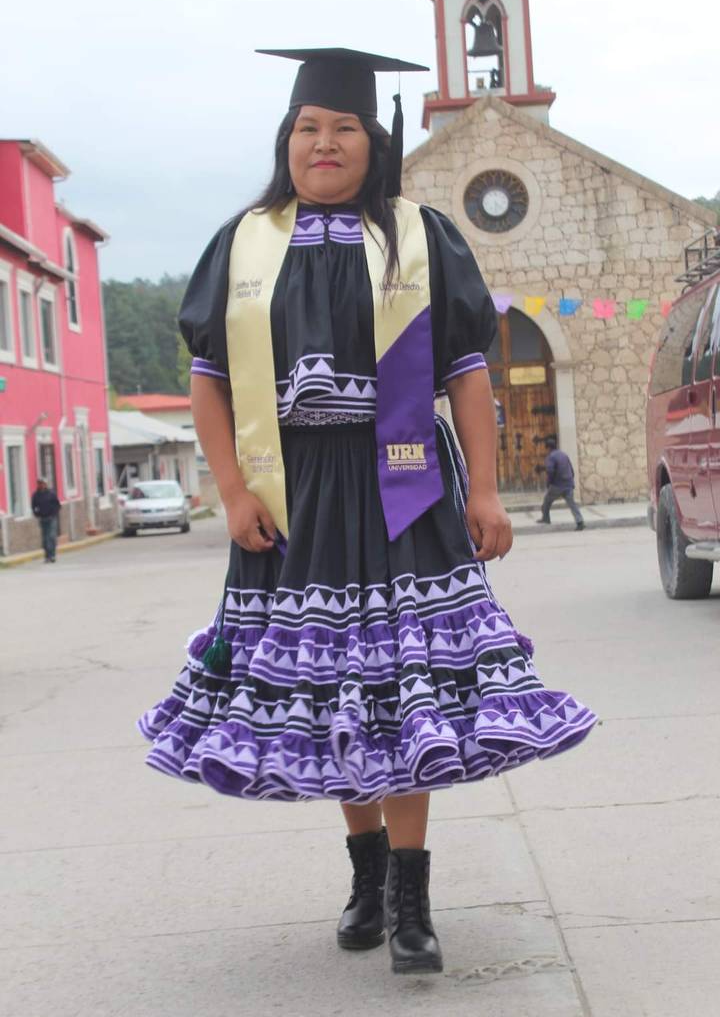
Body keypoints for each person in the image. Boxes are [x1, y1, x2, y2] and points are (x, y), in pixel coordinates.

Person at [137, 48, 597, 975]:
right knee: (330, 691)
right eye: (308, 127)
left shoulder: (422, 236)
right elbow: (210, 378)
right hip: (293, 492)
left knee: (399, 684)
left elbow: (466, 370)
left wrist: (483, 490)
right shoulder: (244, 242)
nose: (325, 143)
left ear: (372, 143)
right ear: (287, 140)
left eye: (344, 127)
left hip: (404, 486)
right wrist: (231, 491)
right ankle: (366, 875)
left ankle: (412, 899)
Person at [537, 437, 585, 530]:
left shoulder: (550, 457)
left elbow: (550, 471)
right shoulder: (564, 454)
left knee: (547, 501)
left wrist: (549, 483)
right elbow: (571, 469)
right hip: (568, 484)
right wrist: (571, 481)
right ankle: (580, 522)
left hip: (557, 485)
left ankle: (546, 518)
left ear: (548, 448)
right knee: (572, 504)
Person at [31, 478, 61, 562]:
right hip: (42, 518)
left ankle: (52, 555)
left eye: (42, 483)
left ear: (45, 484)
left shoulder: (51, 493)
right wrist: (37, 514)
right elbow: (33, 506)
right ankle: (47, 556)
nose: (41, 485)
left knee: (51, 536)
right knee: (45, 538)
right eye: (39, 483)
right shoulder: (36, 495)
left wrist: (54, 513)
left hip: (51, 518)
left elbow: (57, 505)